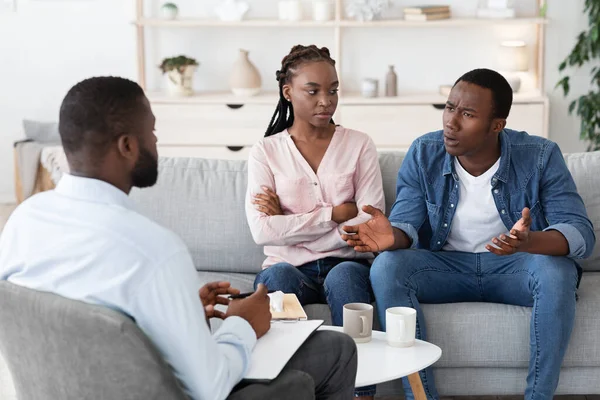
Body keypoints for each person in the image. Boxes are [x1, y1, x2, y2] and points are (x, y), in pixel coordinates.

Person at [0, 76, 358, 400]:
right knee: (337, 350)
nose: (156, 142)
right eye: (151, 132)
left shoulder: (22, 222)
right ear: (127, 146)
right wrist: (241, 325)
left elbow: (91, 332)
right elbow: (211, 389)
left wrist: (182, 314)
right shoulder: (153, 250)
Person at [342, 68, 596, 400]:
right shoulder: (424, 152)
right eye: (450, 108)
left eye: (467, 114)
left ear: (496, 125)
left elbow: (580, 233)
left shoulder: (540, 156)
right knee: (387, 266)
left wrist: (530, 242)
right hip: (445, 268)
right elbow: (405, 223)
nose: (451, 121)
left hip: (514, 268)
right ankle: (421, 397)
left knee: (557, 271)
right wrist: (395, 237)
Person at [245, 44, 385, 400]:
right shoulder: (266, 151)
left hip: (346, 263)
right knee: (276, 279)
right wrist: (333, 214)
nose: (326, 100)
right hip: (288, 266)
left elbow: (367, 223)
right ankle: (283, 390)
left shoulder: (359, 144)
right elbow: (262, 230)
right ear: (288, 92)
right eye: (314, 91)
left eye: (333, 90)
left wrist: (289, 219)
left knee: (345, 278)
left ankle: (361, 394)